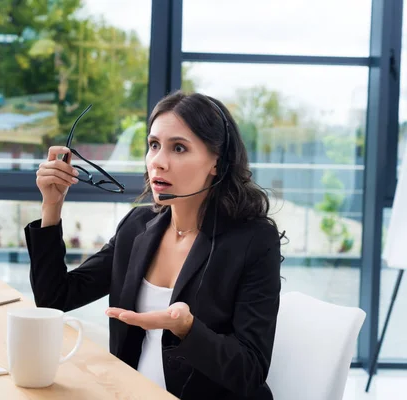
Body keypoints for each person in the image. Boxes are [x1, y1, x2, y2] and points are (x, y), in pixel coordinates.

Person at [24, 91, 283, 400]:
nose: (158, 162)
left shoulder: (252, 240)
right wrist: (51, 208)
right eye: (154, 145)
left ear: (217, 161)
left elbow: (249, 371)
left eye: (179, 148)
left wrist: (186, 328)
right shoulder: (137, 227)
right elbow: (54, 298)